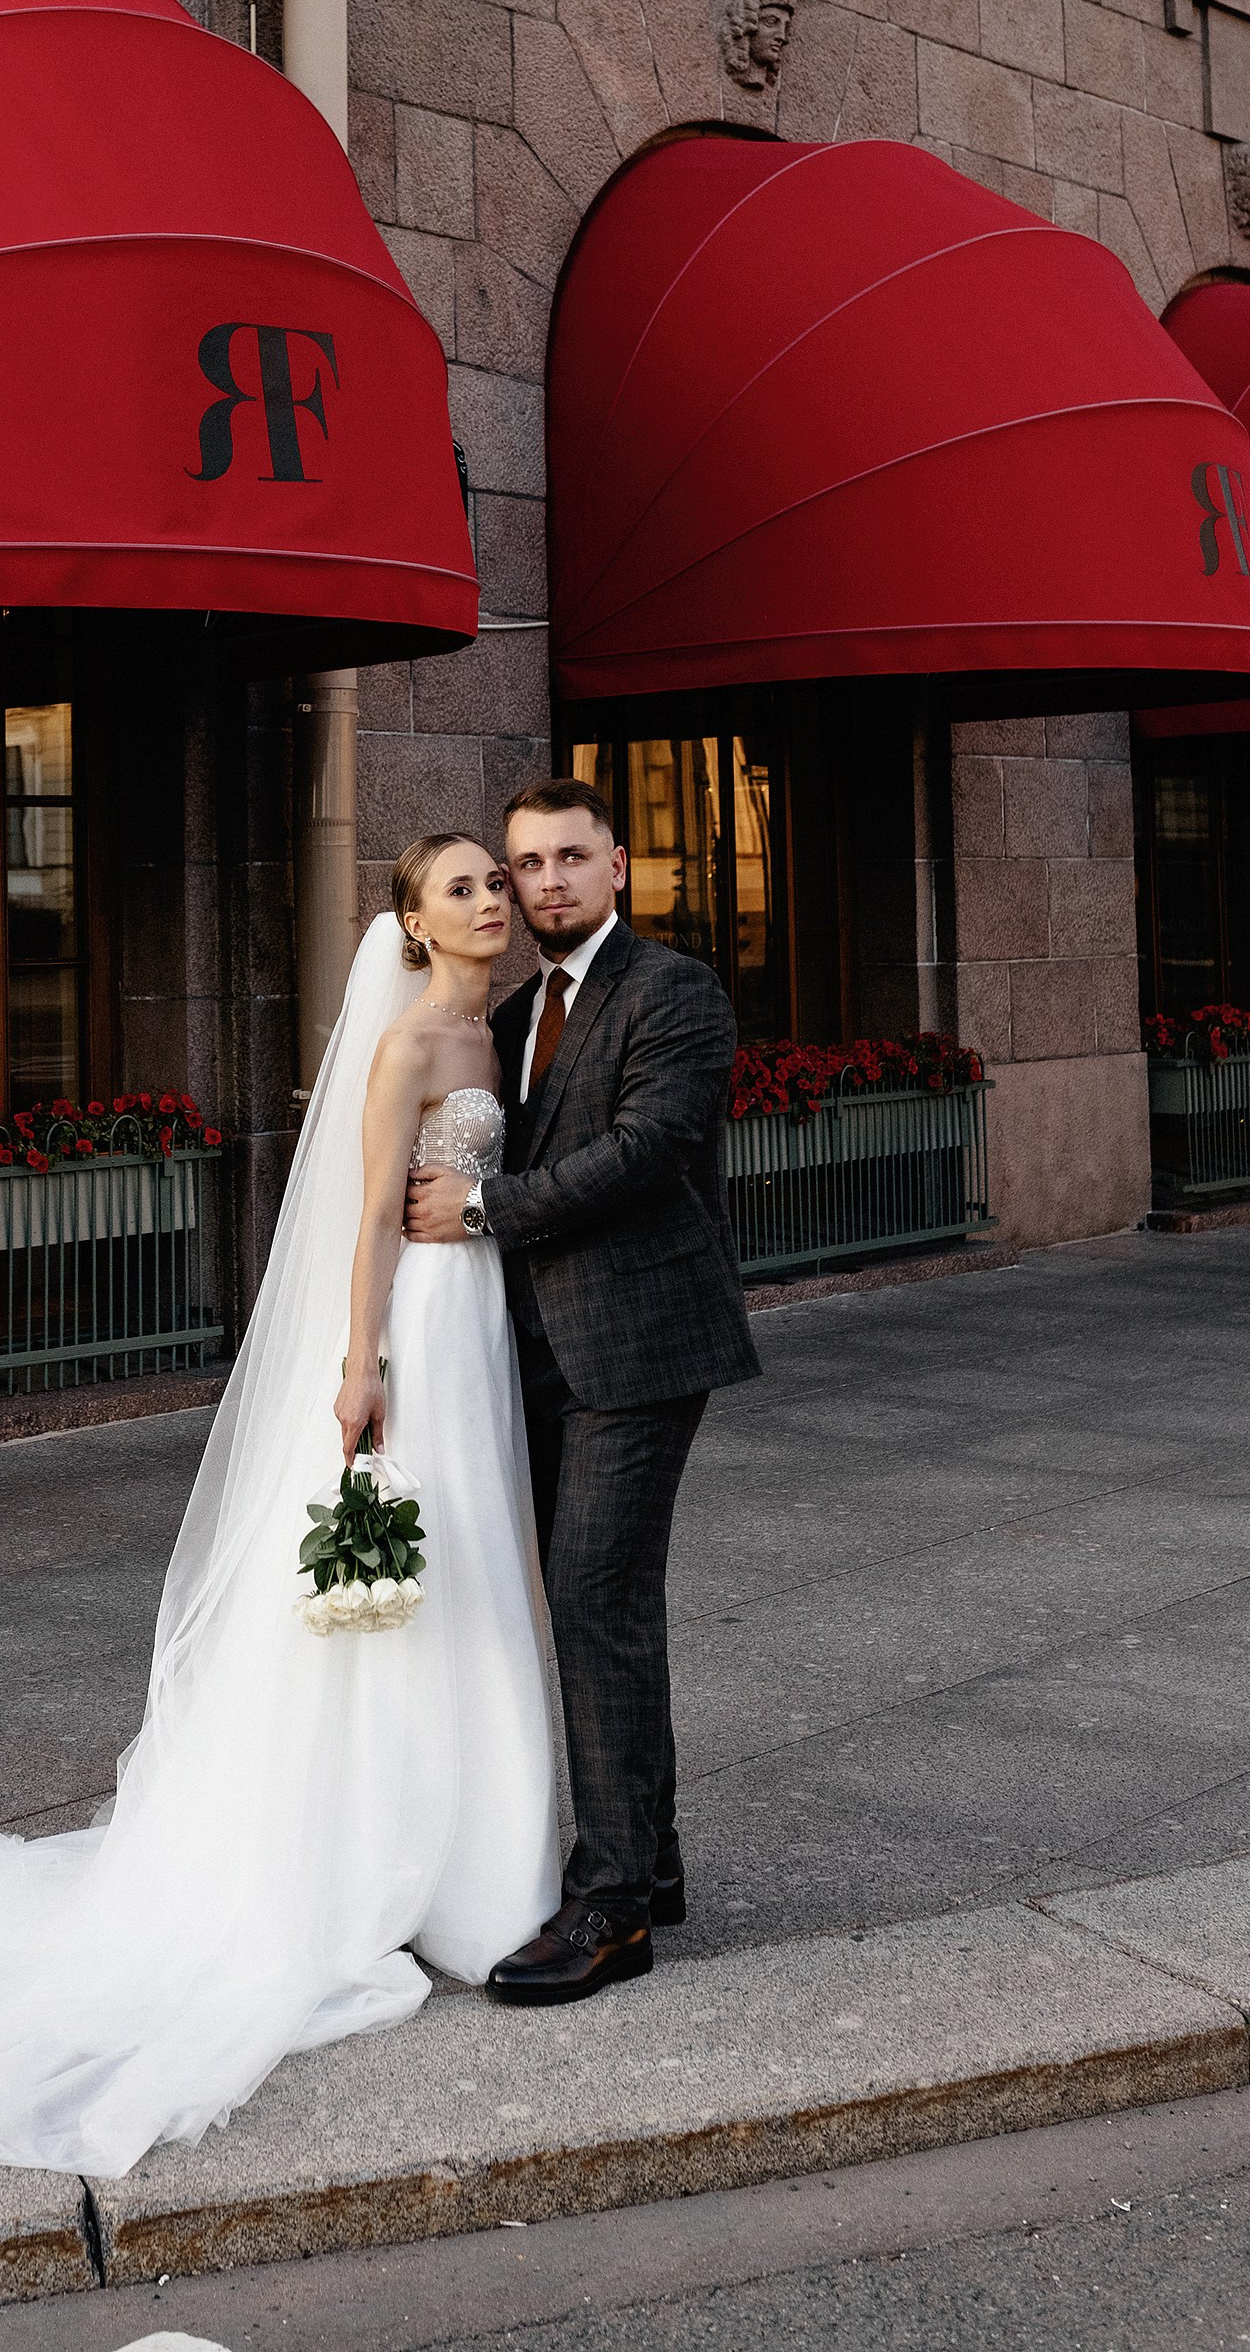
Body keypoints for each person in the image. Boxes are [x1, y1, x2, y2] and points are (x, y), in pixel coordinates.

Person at [0, 836, 557, 2176]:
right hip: (416, 1333)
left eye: (494, 885)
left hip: (480, 1320)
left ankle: (470, 1853)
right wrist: (358, 1366)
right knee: (393, 1585)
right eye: (463, 888)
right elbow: (364, 1219)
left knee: (471, 1576)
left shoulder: (486, 1028)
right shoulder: (407, 1050)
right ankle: (365, 1854)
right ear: (408, 918)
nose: (492, 902)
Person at [406, 776, 758, 2008]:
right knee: (597, 1603)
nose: (543, 882)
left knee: (593, 1593)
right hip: (531, 1350)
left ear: (619, 866)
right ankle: (647, 1858)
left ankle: (609, 1907)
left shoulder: (675, 991)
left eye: (568, 858)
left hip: (644, 1342)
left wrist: (485, 1207)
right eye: (523, 865)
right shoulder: (508, 1017)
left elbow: (649, 1148)